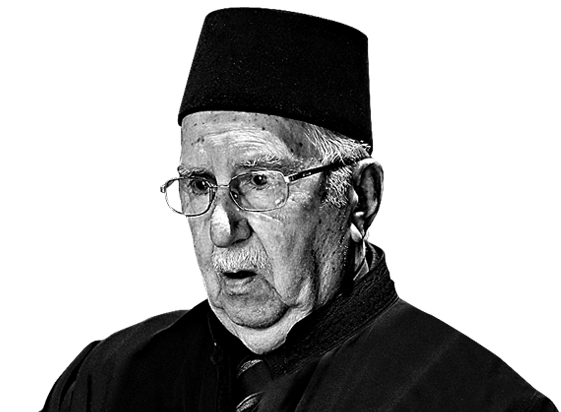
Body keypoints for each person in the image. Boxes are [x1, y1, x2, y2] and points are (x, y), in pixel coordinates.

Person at [46, 8, 555, 412]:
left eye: (258, 181)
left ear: (360, 197)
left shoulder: (474, 397)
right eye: (200, 184)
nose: (222, 227)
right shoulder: (110, 378)